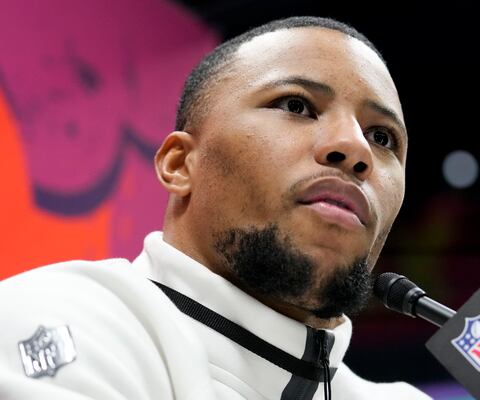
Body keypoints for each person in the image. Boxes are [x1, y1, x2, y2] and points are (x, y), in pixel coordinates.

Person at [0, 16, 431, 400]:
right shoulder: (63, 321)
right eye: (297, 105)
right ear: (179, 164)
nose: (356, 148)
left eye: (382, 137)